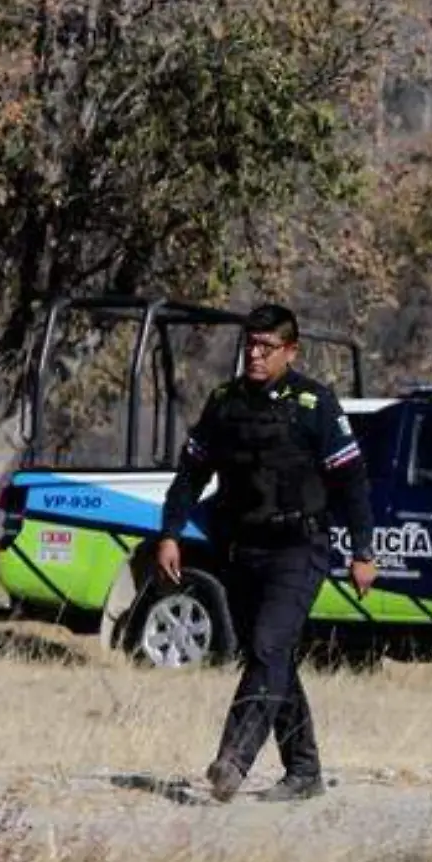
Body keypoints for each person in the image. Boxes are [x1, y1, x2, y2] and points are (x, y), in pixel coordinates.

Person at [157, 304, 377, 803]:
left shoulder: (314, 403)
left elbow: (352, 480)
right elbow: (192, 473)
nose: (255, 355)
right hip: (242, 547)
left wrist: (363, 550)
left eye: (266, 347)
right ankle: (304, 771)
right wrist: (170, 531)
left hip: (301, 546)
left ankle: (233, 759)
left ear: (290, 351)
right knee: (271, 655)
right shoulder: (225, 402)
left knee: (266, 648)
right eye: (250, 345)